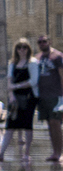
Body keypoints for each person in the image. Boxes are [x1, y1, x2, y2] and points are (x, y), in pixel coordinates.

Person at [0, 39, 38, 163]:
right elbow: (9, 80)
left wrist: (16, 87)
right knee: (10, 126)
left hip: (28, 97)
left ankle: (27, 154)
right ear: (16, 50)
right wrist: (11, 94)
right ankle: (0, 153)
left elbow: (33, 81)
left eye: (24, 47)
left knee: (27, 125)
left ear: (28, 49)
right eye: (19, 47)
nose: (22, 50)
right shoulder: (12, 63)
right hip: (15, 99)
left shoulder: (32, 63)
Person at [35, 34, 63, 163]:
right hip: (43, 96)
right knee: (50, 125)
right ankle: (54, 152)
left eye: (44, 41)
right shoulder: (37, 58)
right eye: (39, 42)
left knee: (55, 123)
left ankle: (60, 152)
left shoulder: (57, 56)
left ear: (50, 42)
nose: (42, 44)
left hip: (56, 95)